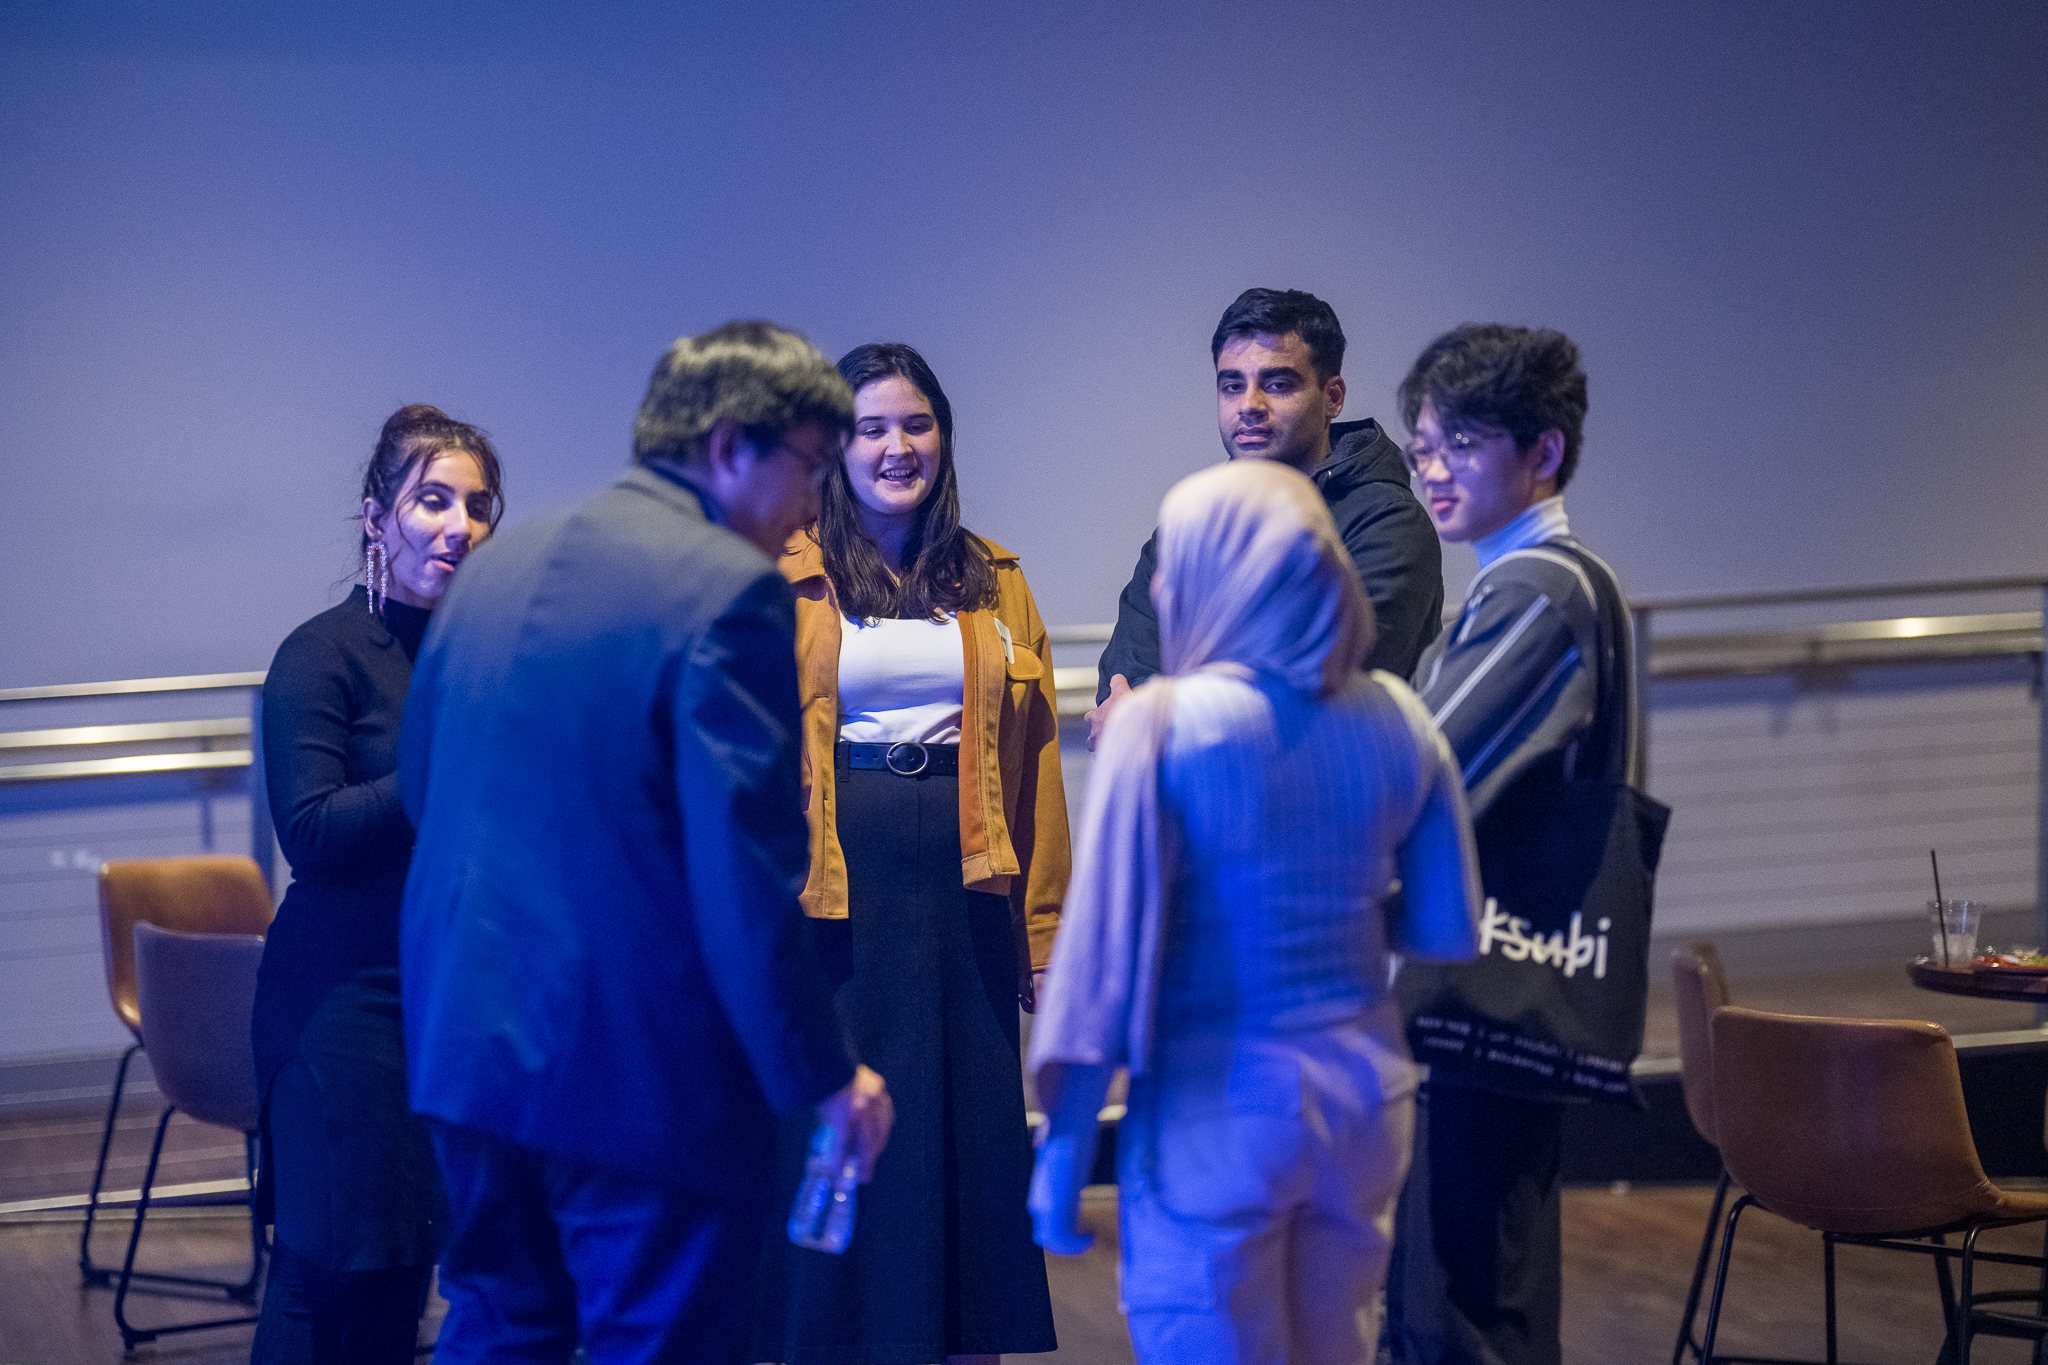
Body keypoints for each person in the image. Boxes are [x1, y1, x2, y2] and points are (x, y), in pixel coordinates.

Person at [397, 322, 894, 1363]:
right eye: (812, 467)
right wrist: (821, 1073)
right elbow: (744, 875)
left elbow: (422, 791)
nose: (815, 505)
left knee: (501, 1333)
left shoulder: (496, 568)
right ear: (729, 444)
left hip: (466, 1047)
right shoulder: (727, 590)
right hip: (636, 1075)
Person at [1029, 459, 1482, 1365]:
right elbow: (1447, 927)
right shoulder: (1397, 714)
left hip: (1216, 1109)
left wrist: (1065, 1145)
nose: (1163, 586)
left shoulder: (1159, 726)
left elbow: (1101, 963)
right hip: (1366, 1104)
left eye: (1177, 562)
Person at [753, 343, 1067, 1365]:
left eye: (916, 424)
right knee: (836, 1139)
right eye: (871, 428)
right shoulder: (781, 574)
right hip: (834, 893)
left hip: (965, 889)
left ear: (943, 437)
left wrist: (1044, 938)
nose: (897, 447)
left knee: (964, 1148)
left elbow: (1037, 767)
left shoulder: (997, 579)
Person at [1383, 324, 1639, 1365]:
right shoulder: (1553, 580)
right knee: (1482, 1289)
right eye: (1422, 447)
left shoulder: (1538, 589)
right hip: (1508, 993)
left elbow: (1418, 768)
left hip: (1481, 993)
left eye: (1462, 443)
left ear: (1544, 451)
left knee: (1456, 1305)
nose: (1433, 471)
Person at [250, 404, 503, 1362]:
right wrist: (446, 760)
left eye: (477, 506)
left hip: (452, 1004)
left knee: (404, 1276)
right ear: (375, 514)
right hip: (340, 1006)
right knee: (326, 1276)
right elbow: (312, 832)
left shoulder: (481, 655)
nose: (459, 526)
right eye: (432, 500)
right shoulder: (320, 655)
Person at [1088, 288, 1442, 746]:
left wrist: (1152, 722)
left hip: (1340, 787)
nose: (1249, 405)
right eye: (1232, 385)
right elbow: (1126, 678)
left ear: (1332, 397)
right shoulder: (1189, 528)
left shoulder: (1388, 521)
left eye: (1277, 385)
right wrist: (1148, 715)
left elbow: (1321, 688)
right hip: (1199, 789)